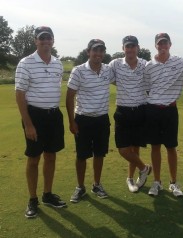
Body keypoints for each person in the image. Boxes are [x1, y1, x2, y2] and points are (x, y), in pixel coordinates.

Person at [15, 26, 66, 218]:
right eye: (41, 38)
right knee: (34, 158)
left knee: (51, 156)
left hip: (54, 116)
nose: (45, 41)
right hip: (34, 116)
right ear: (36, 41)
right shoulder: (26, 63)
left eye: (49, 38)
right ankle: (33, 199)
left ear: (53, 40)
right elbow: (19, 95)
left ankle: (47, 194)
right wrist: (28, 124)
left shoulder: (58, 64)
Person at [66, 39, 113, 203]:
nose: (98, 54)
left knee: (99, 154)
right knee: (81, 155)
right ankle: (80, 187)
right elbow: (69, 97)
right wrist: (72, 122)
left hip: (102, 119)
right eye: (95, 50)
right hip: (83, 119)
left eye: (101, 51)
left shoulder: (108, 70)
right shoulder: (78, 71)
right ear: (88, 52)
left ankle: (97, 184)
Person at [144, 33, 183, 197]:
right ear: (156, 45)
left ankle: (173, 183)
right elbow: (147, 87)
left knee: (171, 147)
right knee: (155, 146)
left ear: (170, 44)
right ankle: (156, 182)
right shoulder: (149, 65)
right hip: (153, 109)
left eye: (165, 43)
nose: (162, 46)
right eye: (159, 43)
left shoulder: (179, 62)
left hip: (170, 110)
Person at [109, 35, 151, 193]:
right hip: (123, 110)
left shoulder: (145, 65)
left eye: (133, 46)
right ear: (123, 48)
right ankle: (144, 168)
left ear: (137, 48)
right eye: (127, 46)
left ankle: (131, 178)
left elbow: (150, 84)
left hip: (140, 110)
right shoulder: (115, 64)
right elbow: (111, 79)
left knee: (135, 148)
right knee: (123, 149)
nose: (130, 49)